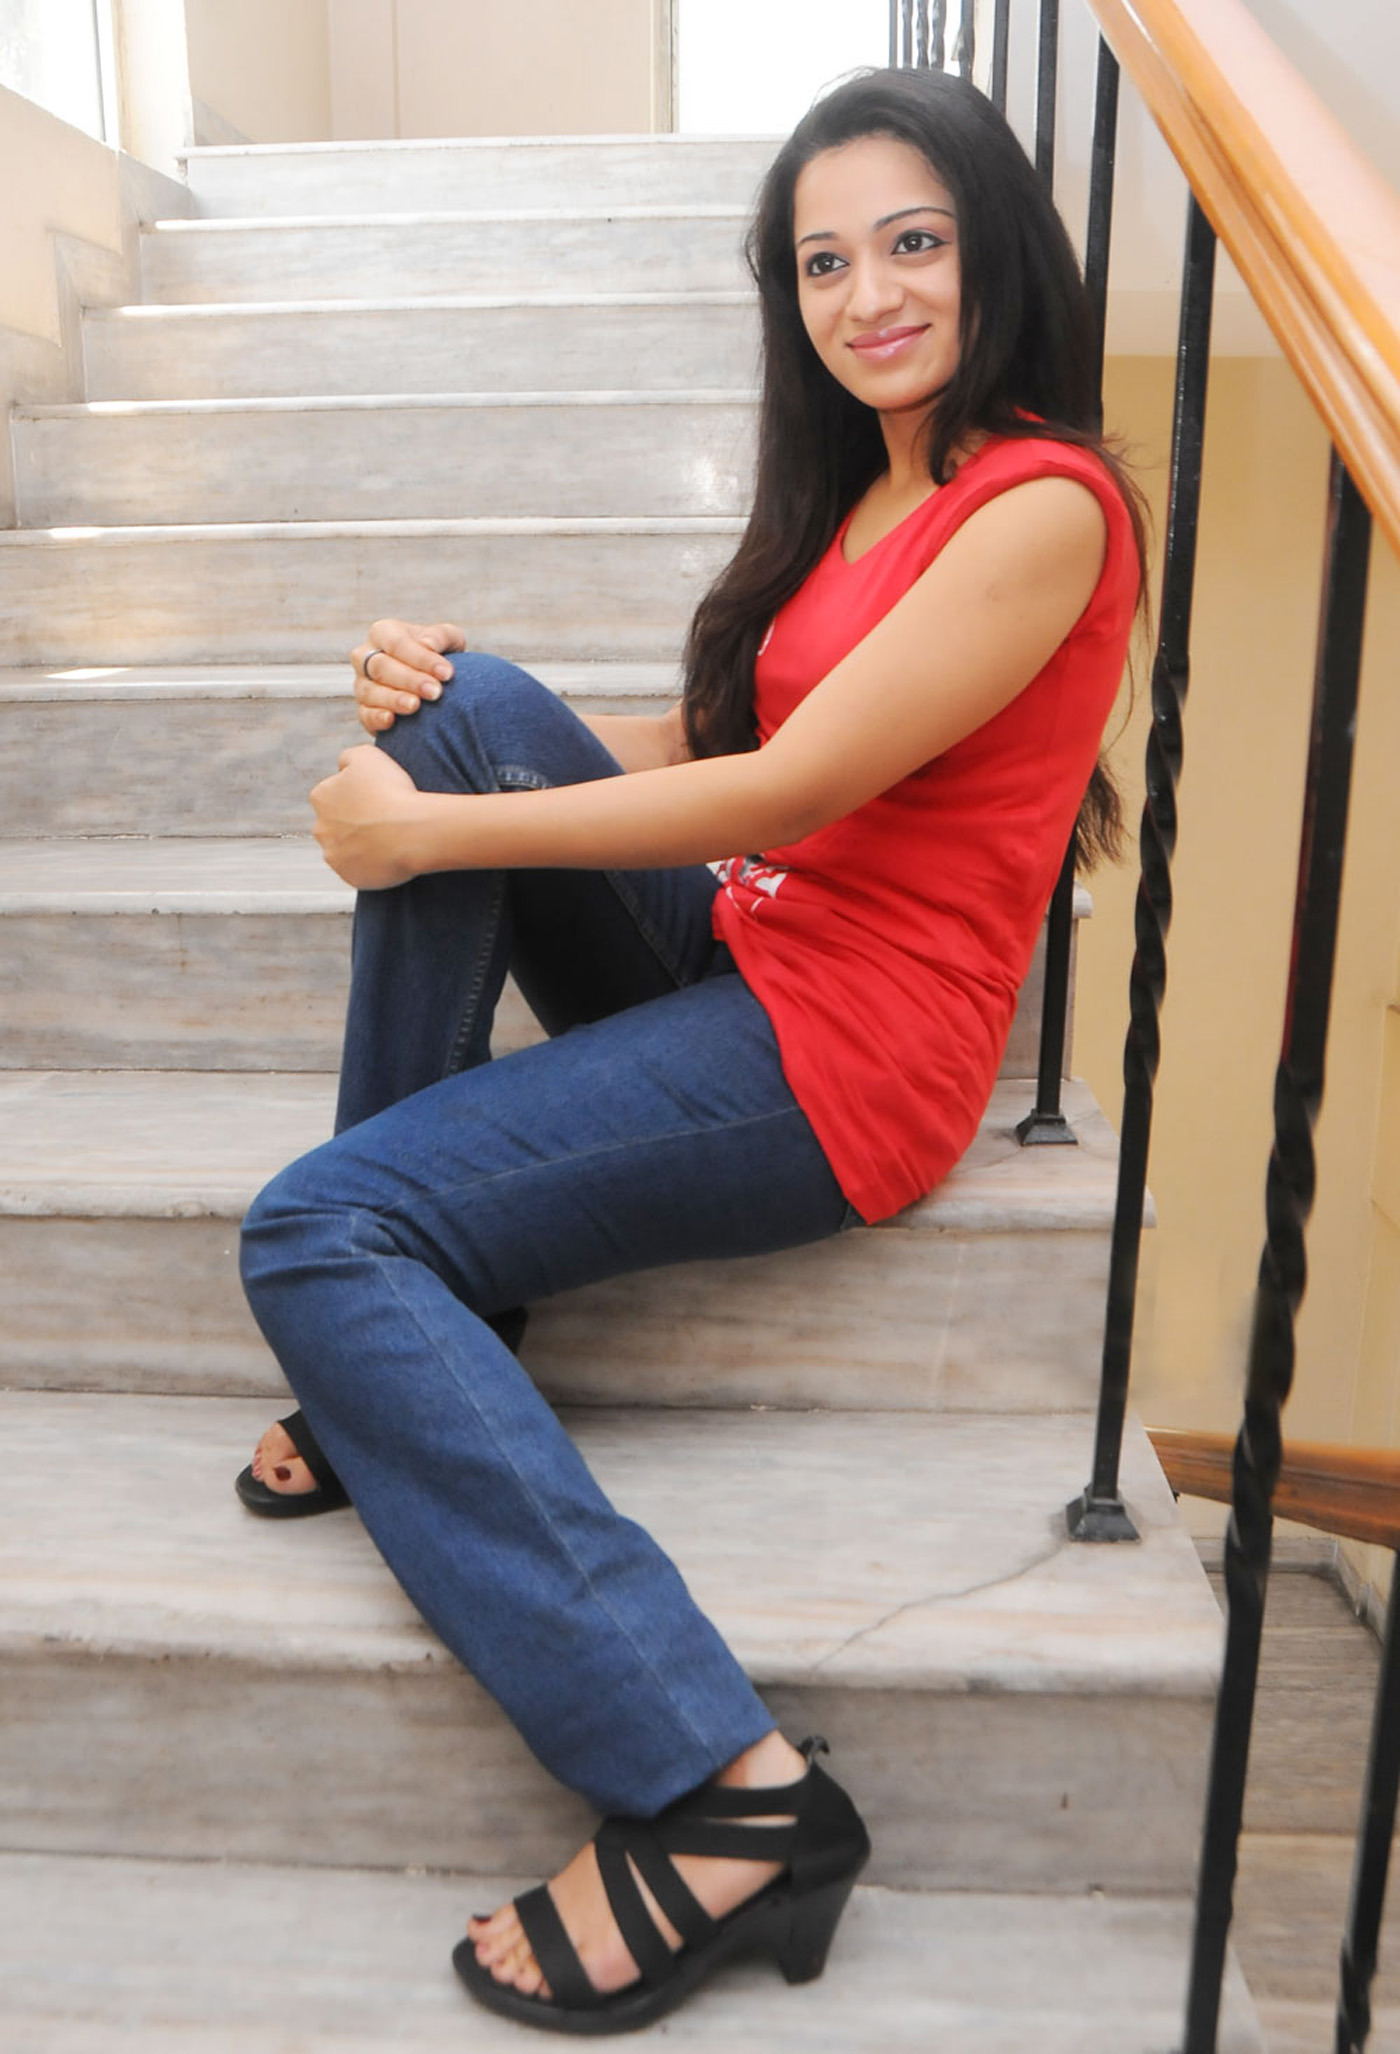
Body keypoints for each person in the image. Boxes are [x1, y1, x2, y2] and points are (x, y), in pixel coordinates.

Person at [235, 62, 1145, 2036]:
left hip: (848, 1058)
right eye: (822, 262)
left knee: (316, 1230)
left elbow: (798, 785)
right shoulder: (865, 488)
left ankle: (725, 1790)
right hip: (745, 952)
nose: (867, 296)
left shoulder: (1043, 505)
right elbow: (719, 742)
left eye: (912, 243)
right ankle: (417, 1336)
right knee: (469, 708)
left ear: (996, 246)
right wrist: (448, 717)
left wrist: (429, 835)